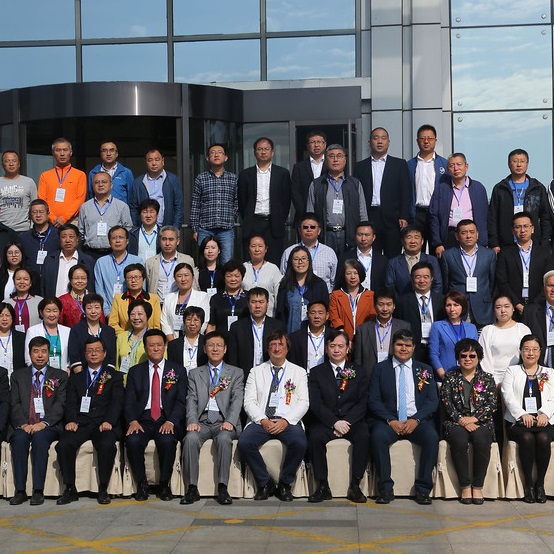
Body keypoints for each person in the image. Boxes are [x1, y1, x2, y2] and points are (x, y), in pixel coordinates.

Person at [368, 329, 439, 505]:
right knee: (377, 437)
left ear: (414, 347)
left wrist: (416, 419)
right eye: (399, 344)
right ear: (393, 346)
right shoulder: (379, 369)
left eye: (408, 345)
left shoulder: (425, 369)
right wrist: (391, 420)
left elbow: (432, 401)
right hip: (389, 421)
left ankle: (423, 490)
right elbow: (373, 400)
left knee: (431, 437)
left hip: (416, 420)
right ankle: (385, 489)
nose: (403, 349)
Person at [238, 330, 309, 501]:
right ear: (268, 349)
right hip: (262, 420)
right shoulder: (256, 371)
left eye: (280, 345)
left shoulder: (298, 372)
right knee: (244, 442)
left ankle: (285, 484)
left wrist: (286, 421)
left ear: (287, 348)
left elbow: (304, 402)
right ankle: (264, 483)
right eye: (273, 345)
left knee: (299, 443)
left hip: (288, 421)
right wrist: (262, 420)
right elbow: (249, 401)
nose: (277, 348)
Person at [55, 336, 124, 505]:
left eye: (97, 350)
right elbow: (70, 402)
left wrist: (109, 421)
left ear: (104, 353)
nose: (94, 354)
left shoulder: (114, 376)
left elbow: (117, 402)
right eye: (90, 351)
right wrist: (71, 420)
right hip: (82, 422)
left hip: (103, 423)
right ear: (85, 355)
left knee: (107, 444)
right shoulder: (76, 378)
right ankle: (70, 488)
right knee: (64, 444)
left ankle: (103, 488)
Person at [182, 331, 244, 505]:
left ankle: (223, 487)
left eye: (219, 345)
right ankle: (192, 488)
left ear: (225, 349)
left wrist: (230, 421)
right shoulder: (195, 373)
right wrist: (192, 421)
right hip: (202, 421)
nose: (215, 349)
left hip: (224, 421)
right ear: (204, 349)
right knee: (190, 438)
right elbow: (191, 399)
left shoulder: (236, 372)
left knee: (224, 438)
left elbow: (237, 399)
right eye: (211, 345)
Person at [124, 329, 187, 501]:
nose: (156, 348)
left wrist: (172, 421)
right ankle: (142, 484)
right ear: (145, 348)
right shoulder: (135, 371)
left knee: (167, 441)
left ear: (165, 346)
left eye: (159, 345)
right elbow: (129, 400)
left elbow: (181, 401)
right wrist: (133, 421)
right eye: (151, 345)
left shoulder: (178, 370)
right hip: (142, 419)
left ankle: (164, 485)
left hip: (166, 418)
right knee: (133, 441)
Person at [307, 330, 370, 503]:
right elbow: (316, 403)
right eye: (332, 346)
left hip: (352, 421)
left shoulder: (358, 371)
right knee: (315, 436)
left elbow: (363, 402)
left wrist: (347, 422)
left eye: (341, 346)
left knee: (364, 435)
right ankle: (322, 485)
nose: (336, 350)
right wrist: (334, 422)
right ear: (326, 348)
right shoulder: (317, 372)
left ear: (348, 348)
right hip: (326, 421)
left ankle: (355, 485)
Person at [9, 336, 68, 506]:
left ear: (49, 354)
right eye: (36, 351)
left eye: (44, 351)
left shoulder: (60, 375)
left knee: (40, 439)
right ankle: (20, 491)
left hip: (47, 425)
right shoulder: (18, 375)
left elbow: (60, 404)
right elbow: (14, 403)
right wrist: (23, 424)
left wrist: (44, 423)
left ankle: (38, 490)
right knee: (19, 439)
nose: (40, 355)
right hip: (25, 424)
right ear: (30, 354)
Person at [440, 338, 497, 505]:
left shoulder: (487, 378)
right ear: (458, 358)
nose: (467, 359)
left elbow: (492, 404)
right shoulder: (450, 377)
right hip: (456, 422)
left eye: (472, 356)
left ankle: (477, 486)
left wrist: (474, 419)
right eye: (463, 355)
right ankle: (465, 485)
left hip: (481, 422)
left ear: (478, 358)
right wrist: (461, 420)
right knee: (459, 439)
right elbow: (446, 403)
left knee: (481, 439)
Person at [502, 334, 554, 503]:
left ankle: (540, 484)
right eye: (526, 349)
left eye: (534, 349)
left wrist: (545, 413)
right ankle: (528, 485)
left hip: (544, 421)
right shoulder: (512, 371)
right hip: (518, 422)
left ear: (540, 351)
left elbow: (553, 397)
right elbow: (508, 396)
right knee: (527, 437)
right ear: (521, 351)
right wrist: (521, 414)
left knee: (543, 438)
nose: (530, 353)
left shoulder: (549, 372)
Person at [353, 127, 412, 258]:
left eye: (383, 138)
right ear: (369, 142)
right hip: (369, 216)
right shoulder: (360, 166)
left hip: (393, 218)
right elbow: (356, 194)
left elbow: (405, 192)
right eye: (376, 138)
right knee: (371, 255)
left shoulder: (399, 164)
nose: (379, 141)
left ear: (388, 142)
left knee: (393, 255)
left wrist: (404, 215)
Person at [237, 137, 292, 265]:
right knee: (251, 261)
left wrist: (279, 218)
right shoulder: (245, 174)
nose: (263, 152)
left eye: (266, 149)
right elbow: (242, 201)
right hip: (253, 222)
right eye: (260, 149)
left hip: (273, 223)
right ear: (254, 152)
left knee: (274, 260)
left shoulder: (282, 173)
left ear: (272, 152)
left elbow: (286, 200)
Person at [306, 144, 368, 256]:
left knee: (347, 265)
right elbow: (310, 214)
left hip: (349, 235)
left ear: (345, 160)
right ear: (326, 160)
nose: (335, 159)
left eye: (339, 156)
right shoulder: (317, 184)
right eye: (331, 156)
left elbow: (362, 212)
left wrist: (363, 233)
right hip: (326, 235)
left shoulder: (355, 183)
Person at [488, 149, 551, 252]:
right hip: (506, 244)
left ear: (527, 164)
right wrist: (494, 243)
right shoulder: (500, 188)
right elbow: (492, 217)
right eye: (515, 161)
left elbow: (545, 217)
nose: (519, 165)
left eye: (522, 161)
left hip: (533, 244)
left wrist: (544, 243)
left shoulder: (537, 188)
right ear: (509, 164)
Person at [429, 153, 488, 257]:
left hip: (471, 235)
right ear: (448, 169)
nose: (456, 168)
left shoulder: (478, 188)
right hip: (450, 236)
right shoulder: (441, 189)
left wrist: (484, 241)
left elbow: (485, 216)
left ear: (466, 166)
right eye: (452, 165)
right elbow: (434, 217)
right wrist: (437, 243)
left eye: (459, 164)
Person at [495, 212, 554, 316]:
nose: (522, 230)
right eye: (518, 227)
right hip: (513, 307)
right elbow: (502, 282)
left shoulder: (544, 252)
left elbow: (548, 280)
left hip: (539, 306)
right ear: (513, 231)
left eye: (526, 226)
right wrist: (517, 304)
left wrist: (534, 306)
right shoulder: (505, 253)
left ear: (532, 229)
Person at [441, 219, 496, 327]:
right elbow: (446, 283)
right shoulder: (448, 255)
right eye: (464, 233)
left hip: (482, 307)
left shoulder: (489, 254)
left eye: (472, 232)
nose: (468, 236)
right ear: (457, 236)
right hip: (457, 307)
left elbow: (492, 281)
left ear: (477, 234)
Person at [191, 143, 238, 264]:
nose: (216, 155)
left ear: (226, 157)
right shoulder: (201, 178)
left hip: (226, 229)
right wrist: (195, 229)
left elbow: (237, 202)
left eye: (219, 152)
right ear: (207, 158)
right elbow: (195, 204)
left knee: (227, 262)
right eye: (212, 153)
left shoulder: (233, 178)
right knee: (204, 262)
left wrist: (231, 218)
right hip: (205, 228)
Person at [227, 287, 286, 381]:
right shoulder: (237, 327)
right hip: (246, 376)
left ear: (267, 304)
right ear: (248, 304)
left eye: (261, 302)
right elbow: (232, 357)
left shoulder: (278, 326)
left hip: (271, 375)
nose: (257, 306)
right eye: (253, 302)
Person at [353, 288, 411, 378]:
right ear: (374, 306)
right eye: (381, 304)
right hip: (369, 377)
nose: (385, 309)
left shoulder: (404, 327)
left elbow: (409, 355)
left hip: (395, 375)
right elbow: (357, 360)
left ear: (394, 306)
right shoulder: (363, 329)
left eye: (389, 304)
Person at [406, 124, 449, 247]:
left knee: (437, 248)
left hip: (437, 213)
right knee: (416, 248)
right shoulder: (409, 165)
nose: (426, 141)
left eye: (430, 138)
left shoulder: (444, 164)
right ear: (417, 141)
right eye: (422, 138)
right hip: (417, 214)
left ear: (435, 140)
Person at [394, 261, 444, 363]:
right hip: (413, 349)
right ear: (412, 279)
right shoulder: (402, 302)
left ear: (432, 278)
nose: (422, 280)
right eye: (417, 277)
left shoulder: (442, 300)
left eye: (426, 277)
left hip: (437, 348)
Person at [78, 172, 133, 258]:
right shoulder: (85, 207)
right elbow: (81, 232)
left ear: (111, 185)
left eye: (104, 182)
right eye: (97, 182)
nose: (100, 185)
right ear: (92, 186)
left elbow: (128, 229)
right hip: (90, 253)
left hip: (114, 253)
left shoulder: (122, 206)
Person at [276, 246, 329, 334]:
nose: (300, 262)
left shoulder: (319, 285)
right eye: (296, 259)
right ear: (291, 262)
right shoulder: (285, 285)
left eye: (303, 258)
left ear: (309, 261)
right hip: (290, 334)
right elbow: (280, 314)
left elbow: (325, 312)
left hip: (314, 336)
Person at [280, 213, 338, 294]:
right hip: (296, 296)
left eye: (312, 227)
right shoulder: (288, 252)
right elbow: (283, 277)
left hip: (322, 297)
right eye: (305, 227)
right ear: (299, 231)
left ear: (319, 231)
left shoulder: (329, 252)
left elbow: (333, 280)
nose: (309, 230)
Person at [480, 295, 531, 385]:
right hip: (494, 379)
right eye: (498, 307)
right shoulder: (487, 331)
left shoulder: (522, 329)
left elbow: (529, 353)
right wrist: (492, 381)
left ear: (513, 308)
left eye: (507, 306)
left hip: (518, 378)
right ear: (494, 310)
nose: (503, 310)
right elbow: (484, 358)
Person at [93, 226, 143, 316]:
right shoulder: (101, 262)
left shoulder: (137, 261)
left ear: (127, 241)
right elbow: (99, 290)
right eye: (114, 238)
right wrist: (107, 313)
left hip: (133, 313)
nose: (117, 241)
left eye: (121, 237)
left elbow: (142, 289)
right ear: (109, 242)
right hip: (109, 312)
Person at [429, 290, 478, 380]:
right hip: (446, 374)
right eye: (448, 305)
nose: (452, 309)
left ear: (462, 307)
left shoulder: (472, 328)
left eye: (456, 305)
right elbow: (433, 354)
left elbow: (476, 353)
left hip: (468, 376)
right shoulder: (437, 326)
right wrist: (443, 375)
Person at [37, 138, 86, 227]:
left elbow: (80, 199)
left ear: (70, 152)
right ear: (53, 153)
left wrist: (64, 218)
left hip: (72, 221)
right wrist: (52, 218)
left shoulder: (80, 175)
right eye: (58, 150)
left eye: (65, 150)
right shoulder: (45, 175)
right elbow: (42, 199)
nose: (62, 154)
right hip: (50, 221)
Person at [129, 149, 184, 228]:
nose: (154, 163)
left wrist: (175, 228)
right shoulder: (138, 183)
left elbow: (178, 206)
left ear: (162, 161)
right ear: (146, 162)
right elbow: (133, 208)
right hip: (145, 229)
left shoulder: (172, 180)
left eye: (157, 159)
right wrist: (136, 229)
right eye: (150, 160)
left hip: (167, 228)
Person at [40, 223, 96, 297]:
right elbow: (43, 286)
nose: (67, 240)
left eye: (71, 237)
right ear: (59, 239)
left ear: (77, 239)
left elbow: (91, 286)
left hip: (79, 303)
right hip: (54, 302)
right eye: (63, 237)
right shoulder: (50, 259)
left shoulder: (87, 261)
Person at [385, 225, 442, 296]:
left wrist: (428, 300)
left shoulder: (432, 260)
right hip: (402, 301)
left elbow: (437, 284)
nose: (413, 241)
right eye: (409, 237)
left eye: (416, 237)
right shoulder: (393, 263)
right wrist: (401, 301)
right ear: (402, 241)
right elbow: (390, 287)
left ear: (422, 241)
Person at [145, 226, 196, 305]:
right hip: (158, 305)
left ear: (178, 241)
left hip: (180, 304)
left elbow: (193, 284)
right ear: (159, 240)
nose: (167, 243)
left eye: (171, 239)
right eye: (164, 239)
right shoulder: (150, 263)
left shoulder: (187, 260)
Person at [68, 293, 116, 374]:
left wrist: (105, 378)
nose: (93, 311)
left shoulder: (109, 331)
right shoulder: (76, 330)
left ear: (101, 309)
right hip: (82, 375)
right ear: (84, 310)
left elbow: (111, 358)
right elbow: (74, 356)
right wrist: (83, 377)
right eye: (89, 308)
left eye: (97, 307)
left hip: (105, 376)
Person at [329, 259, 376, 341]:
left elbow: (372, 316)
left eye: (355, 273)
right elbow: (334, 317)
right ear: (344, 275)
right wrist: (343, 335)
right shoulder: (336, 295)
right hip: (342, 337)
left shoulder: (371, 295)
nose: (352, 277)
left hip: (365, 337)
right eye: (348, 273)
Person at [161, 262, 210, 340]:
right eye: (179, 276)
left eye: (186, 275)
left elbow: (204, 321)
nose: (183, 279)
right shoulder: (169, 298)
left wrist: (191, 339)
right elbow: (164, 322)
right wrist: (173, 342)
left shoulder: (202, 296)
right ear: (175, 278)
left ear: (192, 277)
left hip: (194, 340)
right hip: (173, 340)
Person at [108, 263, 161, 334]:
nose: (133, 280)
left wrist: (146, 336)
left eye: (137, 277)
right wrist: (127, 336)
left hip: (148, 338)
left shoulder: (154, 299)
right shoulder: (118, 299)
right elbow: (112, 324)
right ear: (125, 280)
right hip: (125, 338)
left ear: (143, 279)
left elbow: (157, 325)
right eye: (129, 277)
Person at [291, 130, 327, 231]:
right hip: (304, 216)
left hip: (327, 216)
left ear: (325, 145)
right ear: (307, 146)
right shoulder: (299, 167)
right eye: (312, 142)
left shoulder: (331, 165)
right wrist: (306, 213)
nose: (316, 145)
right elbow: (295, 192)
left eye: (319, 142)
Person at [25, 296, 71, 373]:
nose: (52, 314)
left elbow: (71, 356)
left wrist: (68, 368)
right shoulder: (32, 331)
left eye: (55, 311)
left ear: (59, 312)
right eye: (48, 311)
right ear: (41, 312)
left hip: (63, 374)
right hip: (40, 374)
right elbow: (28, 358)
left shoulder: (67, 331)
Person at [337, 221, 388, 292]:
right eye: (360, 235)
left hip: (374, 296)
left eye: (367, 235)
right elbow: (339, 282)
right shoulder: (345, 258)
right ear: (355, 236)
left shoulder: (382, 260)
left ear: (373, 237)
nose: (363, 238)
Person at [243, 235, 282, 317]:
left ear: (266, 249)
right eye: (253, 246)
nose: (257, 249)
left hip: (269, 316)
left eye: (260, 246)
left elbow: (278, 295)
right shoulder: (243, 268)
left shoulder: (273, 269)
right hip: (246, 316)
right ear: (248, 249)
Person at [206, 260, 249, 335]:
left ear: (242, 277)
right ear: (224, 277)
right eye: (229, 276)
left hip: (243, 339)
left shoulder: (249, 297)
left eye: (237, 276)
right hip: (221, 340)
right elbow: (212, 325)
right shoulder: (216, 298)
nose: (233, 279)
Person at [19, 199, 59, 276]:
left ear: (48, 214)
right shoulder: (23, 237)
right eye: (34, 212)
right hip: (31, 279)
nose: (38, 215)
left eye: (41, 212)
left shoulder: (58, 235)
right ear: (30, 215)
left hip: (52, 278)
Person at [0, 150, 37, 232]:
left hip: (24, 229)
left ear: (19, 164)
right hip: (3, 229)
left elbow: (35, 206)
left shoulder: (29, 182)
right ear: (2, 164)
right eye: (7, 161)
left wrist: (32, 227)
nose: (11, 164)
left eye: (14, 161)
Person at [288, 300, 330, 373]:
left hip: (326, 377)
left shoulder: (334, 336)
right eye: (313, 313)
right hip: (303, 376)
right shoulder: (295, 338)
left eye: (320, 313)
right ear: (307, 315)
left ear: (327, 315)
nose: (316, 316)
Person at [524, 270, 554, 367]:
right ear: (544, 288)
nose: (553, 289)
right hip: (537, 368)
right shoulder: (530, 312)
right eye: (550, 285)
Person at [166, 306, 208, 373]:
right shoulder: (173, 345)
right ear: (184, 322)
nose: (192, 323)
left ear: (201, 323)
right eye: (188, 319)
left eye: (196, 320)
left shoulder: (207, 343)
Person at [115, 300, 152, 376]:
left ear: (147, 316)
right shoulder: (121, 337)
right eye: (132, 314)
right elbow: (117, 365)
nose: (136, 317)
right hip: (124, 381)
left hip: (144, 381)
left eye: (140, 314)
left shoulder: (153, 337)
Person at [58, 264, 101, 328]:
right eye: (76, 278)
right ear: (70, 280)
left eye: (83, 278)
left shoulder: (95, 299)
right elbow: (59, 325)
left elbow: (101, 322)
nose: (80, 281)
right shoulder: (62, 300)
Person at [5, 267, 43, 332]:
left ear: (31, 282)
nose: (22, 282)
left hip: (35, 337)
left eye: (25, 279)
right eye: (18, 279)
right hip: (12, 337)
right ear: (14, 282)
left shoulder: (39, 301)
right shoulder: (6, 302)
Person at [0, 302, 26, 378]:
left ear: (12, 318)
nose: (4, 319)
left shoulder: (22, 337)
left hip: (17, 380)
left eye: (7, 315)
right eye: (1, 315)